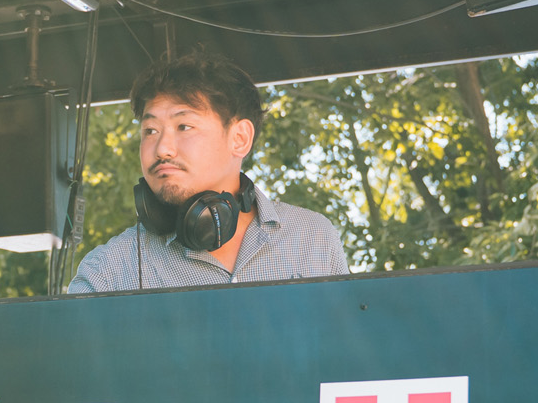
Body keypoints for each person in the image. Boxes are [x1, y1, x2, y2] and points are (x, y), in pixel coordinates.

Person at [66, 51, 348, 293]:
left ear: (239, 138)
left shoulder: (314, 238)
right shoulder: (106, 273)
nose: (162, 149)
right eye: (150, 131)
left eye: (184, 126)